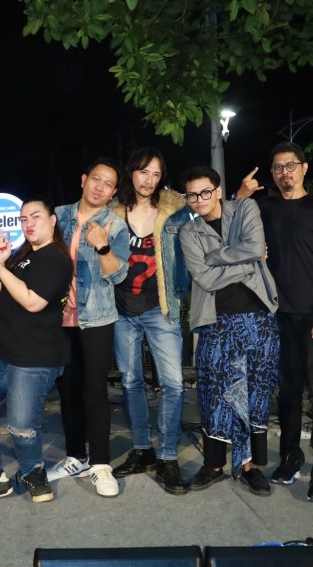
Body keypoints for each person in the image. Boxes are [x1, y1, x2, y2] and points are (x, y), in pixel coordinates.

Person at [0, 198, 74, 503]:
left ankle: (33, 472)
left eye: (35, 216)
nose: (28, 223)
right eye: (23, 219)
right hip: (0, 349)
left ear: (52, 220)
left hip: (35, 356)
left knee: (21, 425)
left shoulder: (56, 258)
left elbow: (33, 302)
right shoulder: (24, 256)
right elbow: (0, 297)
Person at [248, 143, 313, 503]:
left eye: (290, 165)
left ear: (304, 168)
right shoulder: (264, 208)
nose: (284, 172)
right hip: (278, 315)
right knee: (287, 392)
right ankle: (290, 457)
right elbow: (231, 221)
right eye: (278, 167)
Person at [178, 166, 280, 496]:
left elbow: (255, 247)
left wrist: (217, 257)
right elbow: (204, 278)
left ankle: (251, 466)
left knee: (255, 392)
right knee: (214, 394)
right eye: (192, 195)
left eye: (205, 192)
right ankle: (213, 465)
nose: (199, 199)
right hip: (216, 321)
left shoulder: (245, 208)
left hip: (257, 317)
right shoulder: (189, 232)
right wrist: (246, 264)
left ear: (218, 190)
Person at [108, 148, 191, 495]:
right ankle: (143, 449)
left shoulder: (175, 210)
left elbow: (210, 220)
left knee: (173, 383)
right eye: (143, 172)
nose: (149, 180)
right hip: (121, 310)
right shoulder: (112, 211)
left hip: (161, 308)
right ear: (131, 172)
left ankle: (168, 456)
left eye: (156, 174)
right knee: (131, 382)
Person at [48, 159, 130, 498]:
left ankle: (100, 463)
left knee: (94, 390)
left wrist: (102, 246)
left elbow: (119, 274)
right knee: (67, 389)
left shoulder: (115, 225)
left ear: (113, 192)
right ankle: (75, 456)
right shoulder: (58, 216)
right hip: (58, 318)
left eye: (108, 184)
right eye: (96, 179)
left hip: (97, 318)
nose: (100, 187)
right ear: (84, 180)